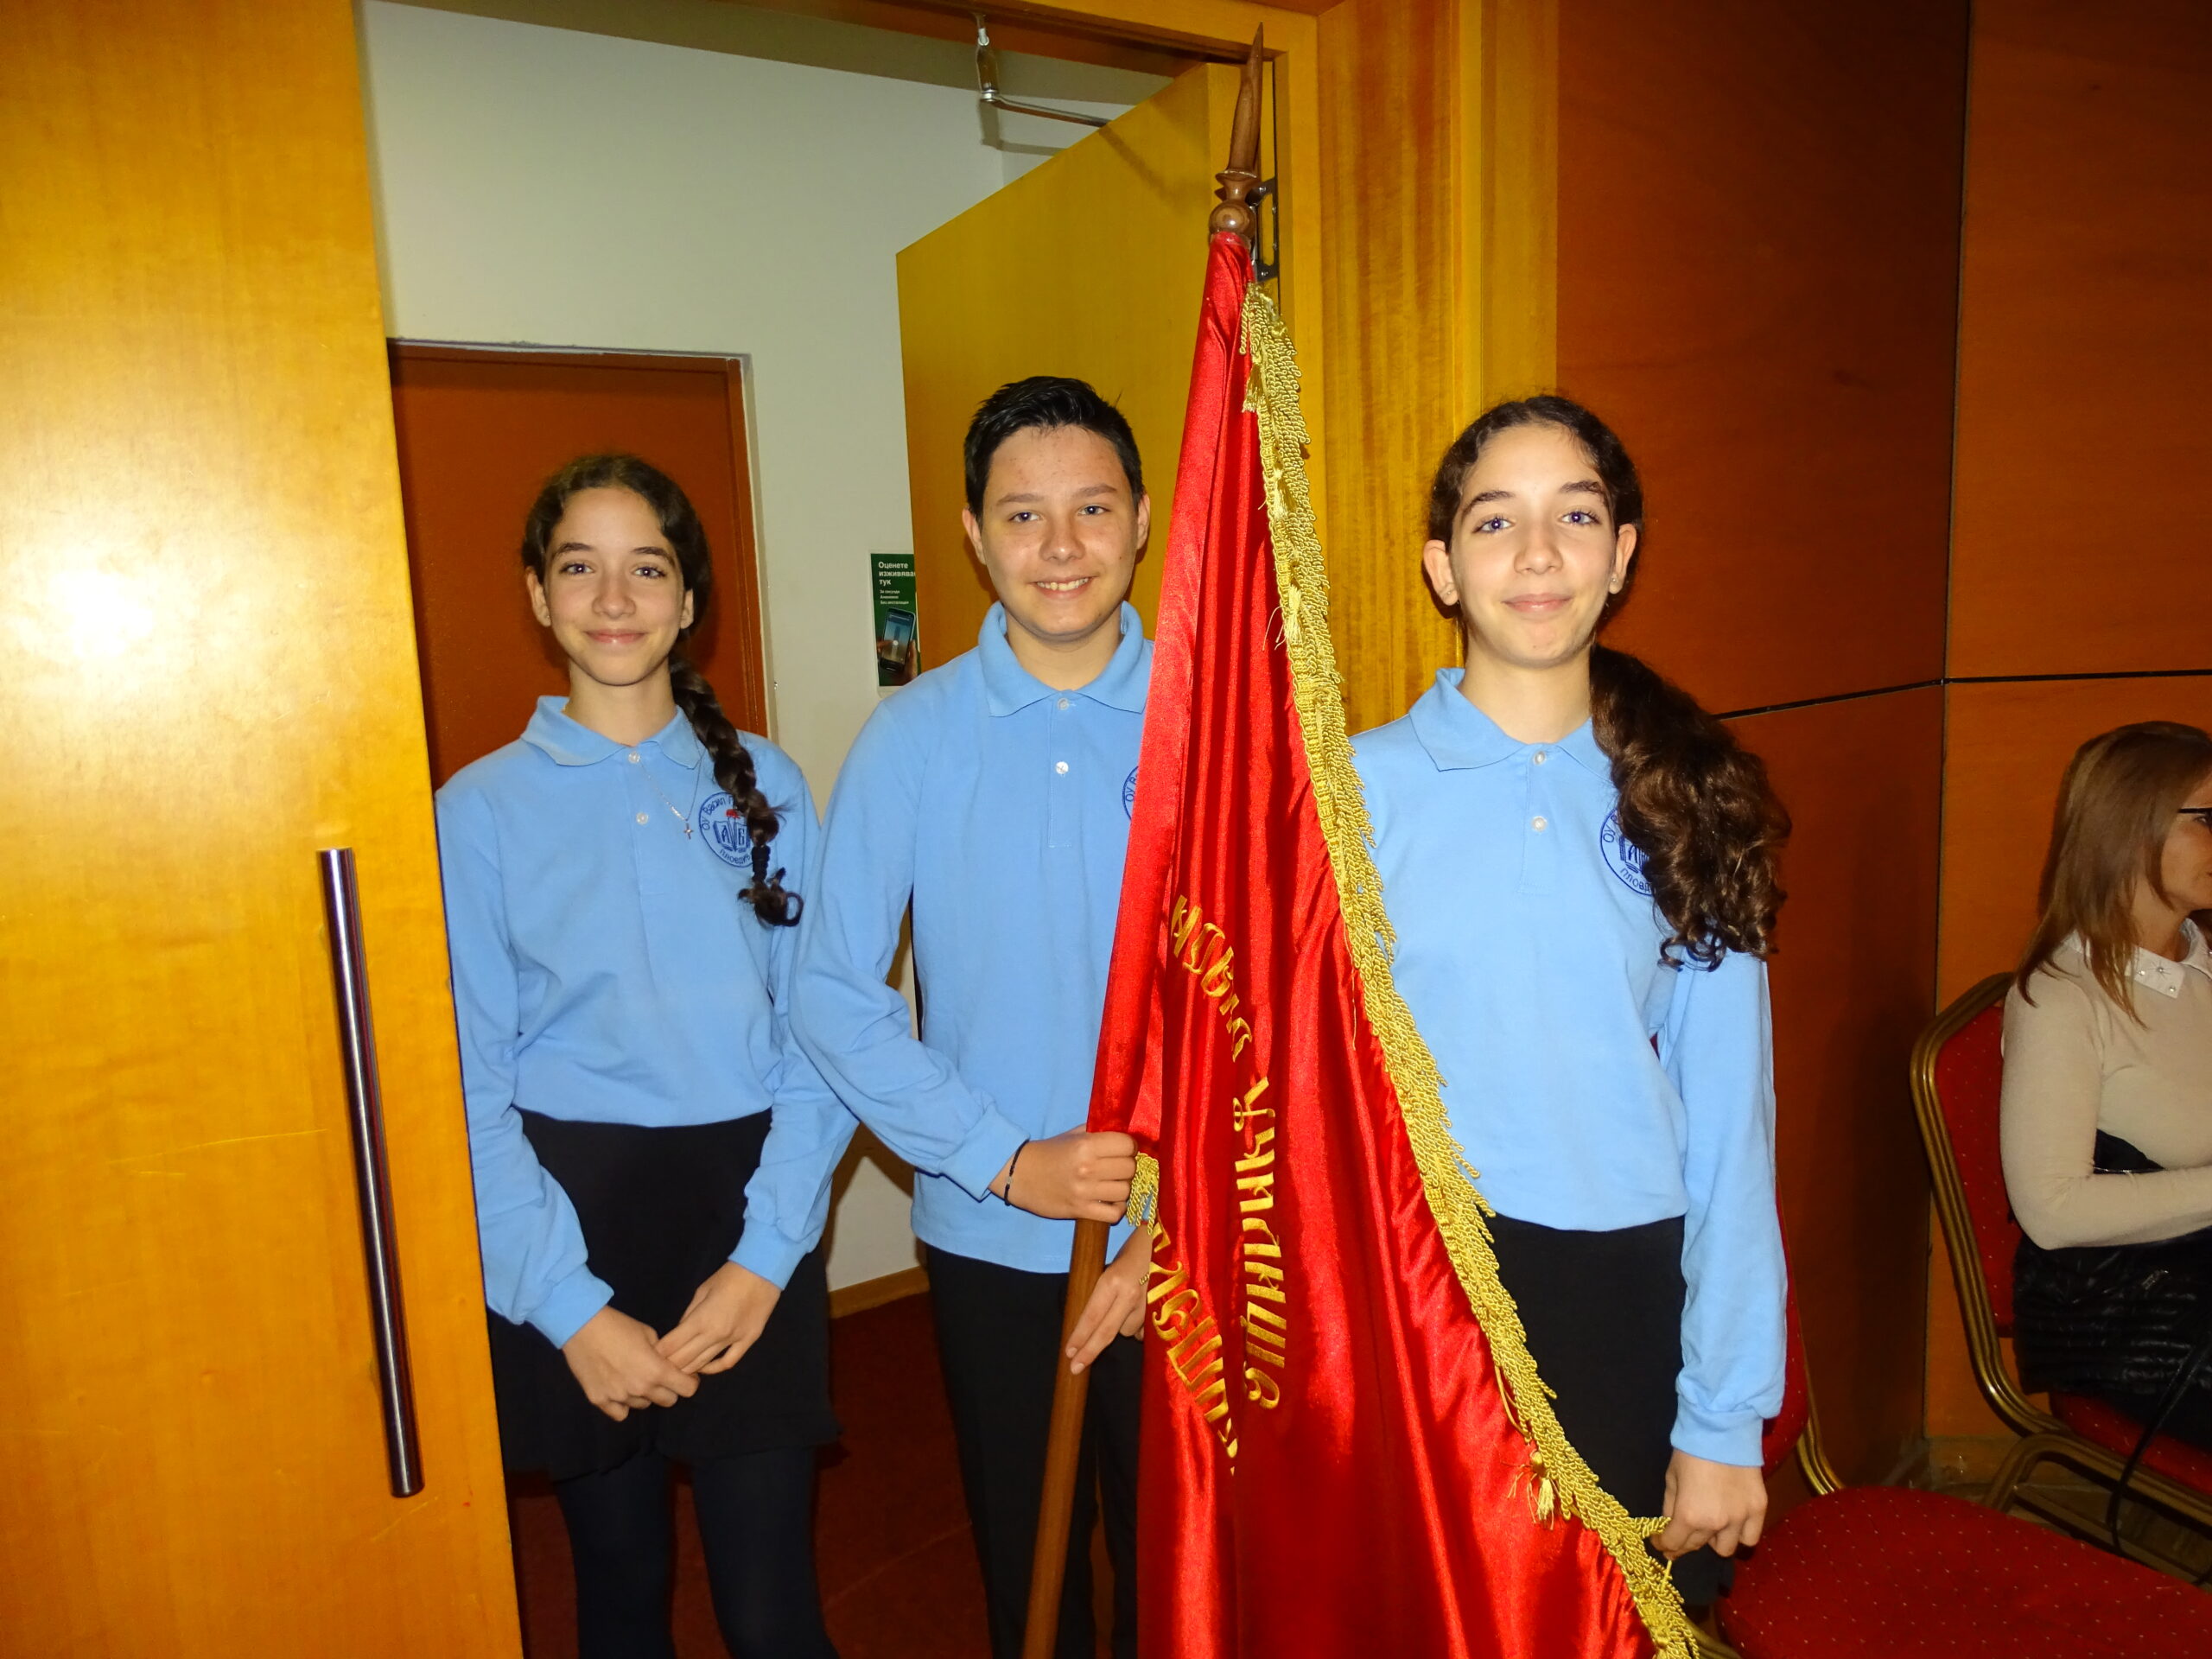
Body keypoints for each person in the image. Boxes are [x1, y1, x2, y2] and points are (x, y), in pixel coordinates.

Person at [1351, 396, 1789, 1605]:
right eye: (1496, 521)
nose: (1538, 554)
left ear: (1622, 554)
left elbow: (1732, 1127)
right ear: (1443, 568)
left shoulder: (1688, 796)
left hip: (1621, 1292)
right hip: (1414, 1291)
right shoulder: (1349, 794)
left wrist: (1724, 1414)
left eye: (1576, 516)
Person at [435, 454, 852, 1659]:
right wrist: (567, 1307)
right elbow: (467, 1079)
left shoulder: (768, 784)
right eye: (580, 567)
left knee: (772, 1611)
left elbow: (821, 1037)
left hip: (750, 1209)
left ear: (687, 600)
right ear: (537, 593)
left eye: (647, 569)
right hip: (566, 1221)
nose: (613, 599)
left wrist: (765, 1258)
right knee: (618, 1592)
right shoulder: (476, 809)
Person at [794, 377, 1147, 1659]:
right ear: (973, 534)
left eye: (1091, 508)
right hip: (990, 1232)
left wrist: (1183, 1216)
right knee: (1026, 1570)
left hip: (1188, 1244)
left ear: (1141, 519)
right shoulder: (912, 737)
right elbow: (833, 995)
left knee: (1184, 1572)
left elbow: (1276, 1006)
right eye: (1021, 514)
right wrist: (1006, 1160)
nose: (1060, 547)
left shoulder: (1216, 726)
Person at [2003, 721, 2212, 1452]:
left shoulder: (2197, 960)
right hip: (2129, 1312)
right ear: (2131, 826)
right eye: (2208, 819)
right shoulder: (2063, 999)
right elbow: (2052, 1211)